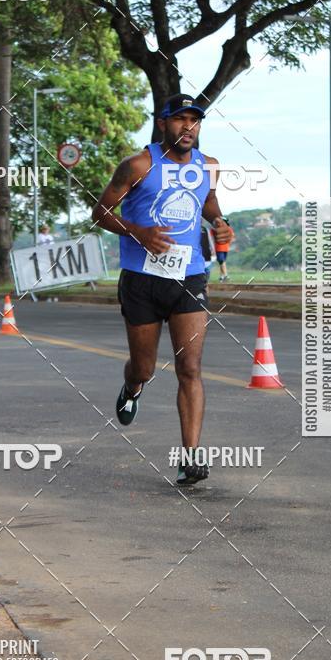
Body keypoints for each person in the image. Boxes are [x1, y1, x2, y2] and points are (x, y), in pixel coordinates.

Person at [92, 94, 234, 485]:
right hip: (141, 279)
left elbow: (208, 201)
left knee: (190, 368)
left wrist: (219, 222)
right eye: (179, 120)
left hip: (189, 276)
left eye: (195, 121)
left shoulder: (208, 166)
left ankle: (190, 457)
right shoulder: (138, 165)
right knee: (145, 367)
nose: (188, 127)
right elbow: (100, 212)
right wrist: (137, 231)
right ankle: (132, 385)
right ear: (162, 123)